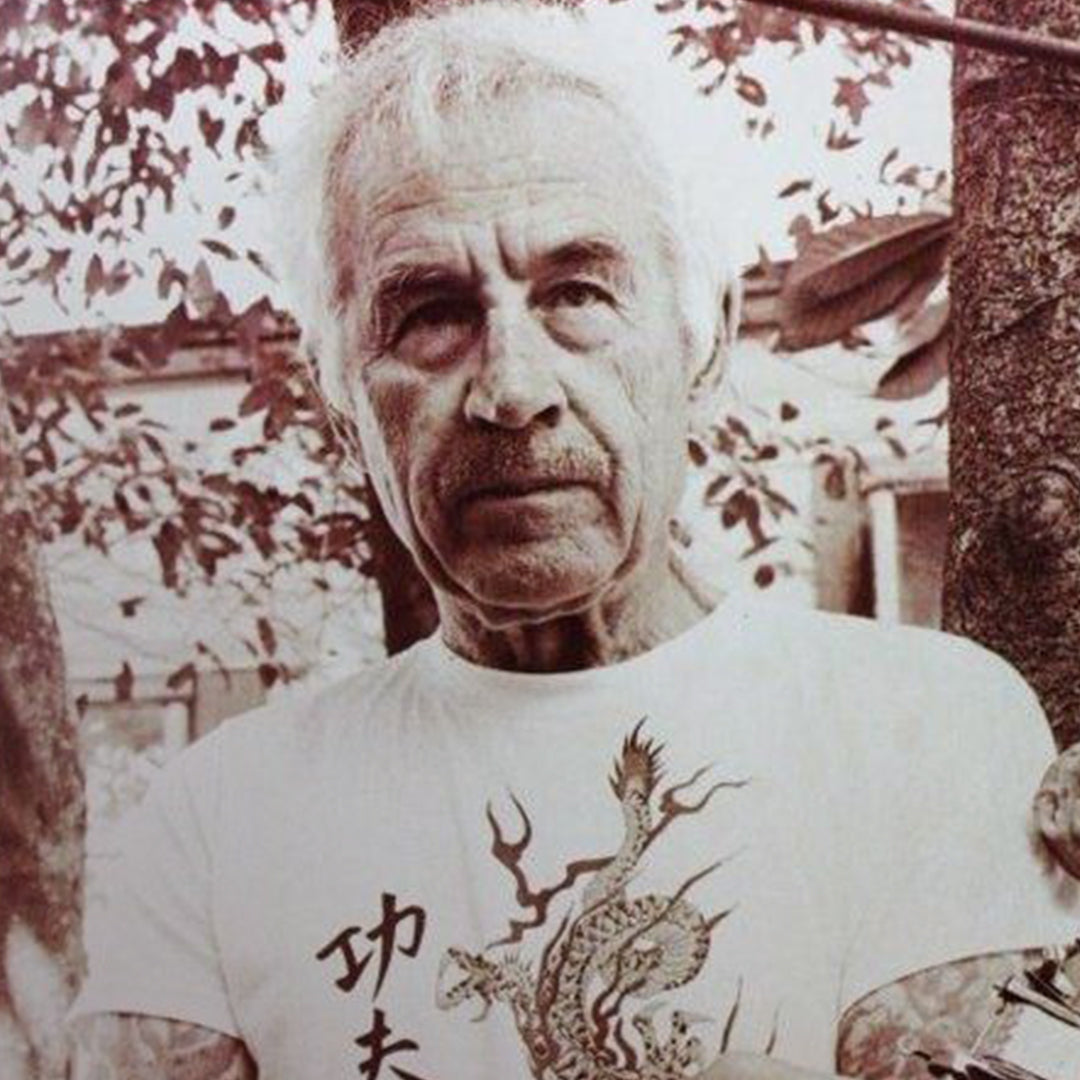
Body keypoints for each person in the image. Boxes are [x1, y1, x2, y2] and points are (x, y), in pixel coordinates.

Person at [69, 3, 1079, 1078]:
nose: (512, 390)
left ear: (701, 339)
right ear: (341, 395)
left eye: (579, 294)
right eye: (431, 315)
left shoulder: (922, 728)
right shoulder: (219, 822)